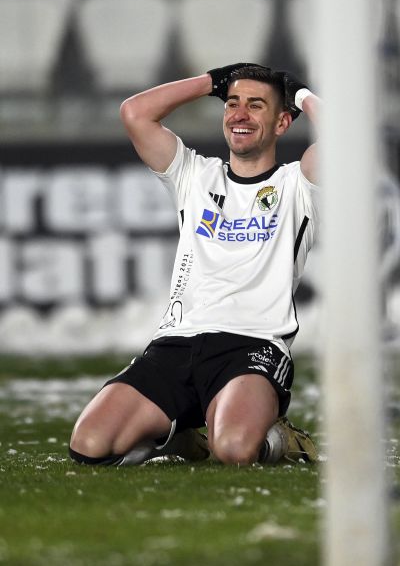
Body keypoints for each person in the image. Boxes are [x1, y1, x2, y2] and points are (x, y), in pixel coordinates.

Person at [68, 63, 320, 466]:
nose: (240, 115)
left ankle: (280, 438)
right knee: (89, 445)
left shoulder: (298, 185)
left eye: (256, 106)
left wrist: (302, 95)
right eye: (232, 104)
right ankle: (178, 437)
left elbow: (348, 140)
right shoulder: (195, 175)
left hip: (251, 346)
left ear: (282, 123)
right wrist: (212, 82)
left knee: (233, 450)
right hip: (176, 344)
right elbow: (135, 113)